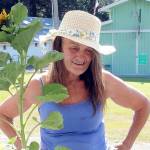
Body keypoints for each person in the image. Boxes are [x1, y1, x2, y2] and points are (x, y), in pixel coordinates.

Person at [0, 10, 150, 150]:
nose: (81, 56)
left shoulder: (103, 81)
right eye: (74, 48)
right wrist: (21, 145)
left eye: (89, 50)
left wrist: (127, 144)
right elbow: (3, 114)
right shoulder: (39, 86)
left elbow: (143, 105)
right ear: (59, 47)